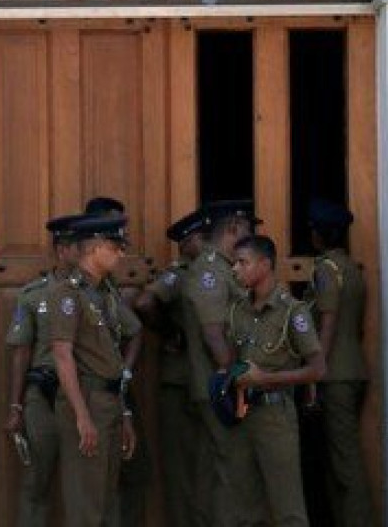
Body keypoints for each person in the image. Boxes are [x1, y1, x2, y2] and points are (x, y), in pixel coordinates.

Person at [225, 234, 326, 525]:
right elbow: (232, 362)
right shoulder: (237, 311)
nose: (235, 269)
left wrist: (265, 378)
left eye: (242, 262)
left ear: (265, 265)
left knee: (288, 508)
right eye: (234, 263)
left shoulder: (293, 312)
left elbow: (318, 370)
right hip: (242, 415)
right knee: (244, 508)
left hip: (276, 416)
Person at [48, 214, 138, 527]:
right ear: (94, 248)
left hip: (109, 400)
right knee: (86, 504)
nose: (120, 253)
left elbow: (112, 356)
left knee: (107, 501)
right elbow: (62, 355)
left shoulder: (105, 294)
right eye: (115, 246)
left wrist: (124, 413)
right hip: (86, 399)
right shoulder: (67, 294)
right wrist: (81, 415)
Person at [182, 198, 256, 527]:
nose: (250, 237)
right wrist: (234, 381)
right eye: (247, 231)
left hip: (217, 386)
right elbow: (213, 334)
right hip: (218, 387)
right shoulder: (209, 271)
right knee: (231, 470)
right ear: (232, 229)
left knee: (213, 468)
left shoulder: (223, 268)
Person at [5, 214, 82, 526]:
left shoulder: (96, 292)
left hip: (85, 395)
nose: (86, 254)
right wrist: (15, 405)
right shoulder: (33, 293)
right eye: (80, 248)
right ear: (63, 250)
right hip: (45, 396)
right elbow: (21, 351)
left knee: (88, 486)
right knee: (38, 480)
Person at [134, 209, 209, 527]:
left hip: (209, 384)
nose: (209, 245)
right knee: (182, 474)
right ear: (189, 242)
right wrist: (169, 332)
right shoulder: (180, 273)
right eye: (203, 239)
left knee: (211, 470)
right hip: (180, 383)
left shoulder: (217, 270)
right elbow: (144, 303)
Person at [304, 199, 374, 525]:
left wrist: (317, 371)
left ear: (318, 235)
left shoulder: (326, 269)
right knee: (338, 459)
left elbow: (328, 322)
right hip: (352, 369)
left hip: (335, 374)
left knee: (345, 463)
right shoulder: (350, 268)